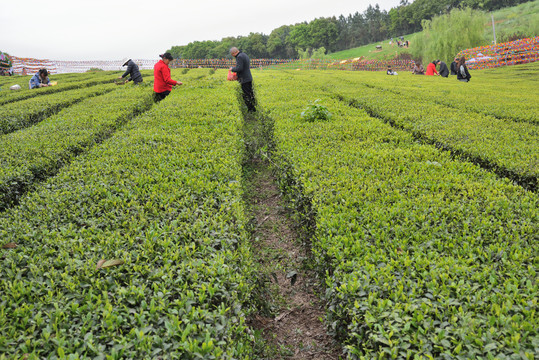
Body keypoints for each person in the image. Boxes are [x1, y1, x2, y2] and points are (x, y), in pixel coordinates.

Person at [230, 47, 256, 113]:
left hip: (244, 79)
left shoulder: (239, 57)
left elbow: (239, 68)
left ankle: (251, 110)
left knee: (246, 95)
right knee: (250, 94)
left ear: (234, 53)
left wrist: (232, 68)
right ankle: (253, 108)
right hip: (248, 77)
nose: (233, 56)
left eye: (232, 54)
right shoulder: (244, 54)